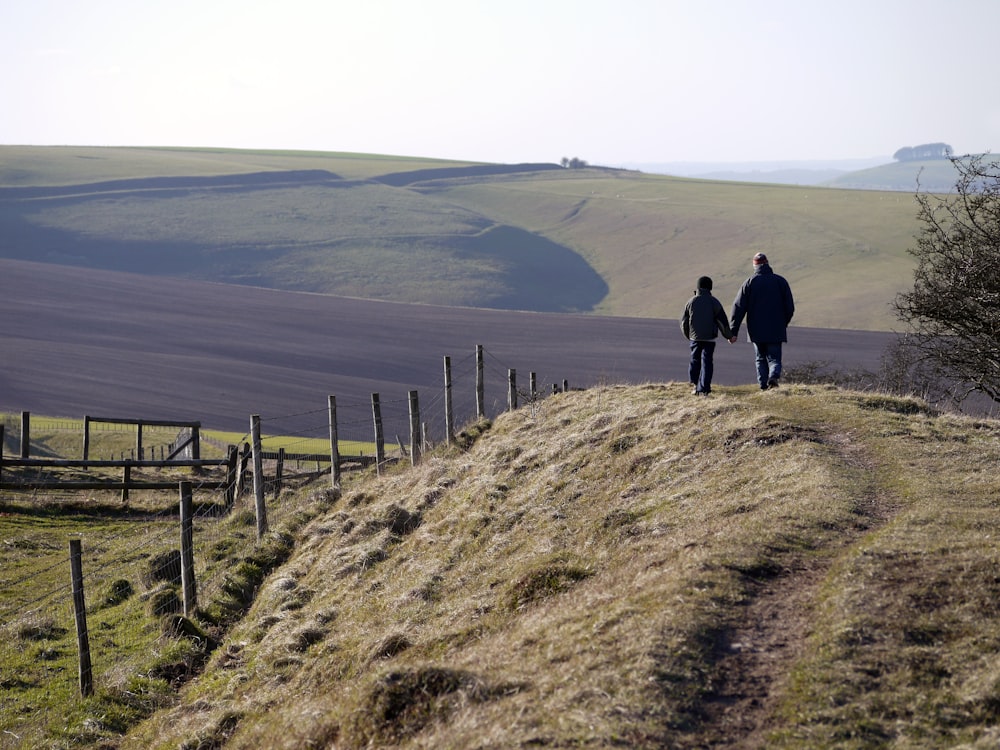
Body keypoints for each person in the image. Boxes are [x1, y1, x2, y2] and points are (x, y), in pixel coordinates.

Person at [729, 252, 795, 390]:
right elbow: (789, 307)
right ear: (767, 263)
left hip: (756, 329)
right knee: (774, 358)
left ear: (755, 265)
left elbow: (738, 308)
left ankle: (763, 385)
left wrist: (733, 331)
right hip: (776, 328)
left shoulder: (749, 283)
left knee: (760, 358)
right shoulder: (780, 281)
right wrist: (783, 323)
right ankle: (774, 377)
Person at [680, 276, 735, 395]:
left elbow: (684, 322)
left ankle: (694, 384)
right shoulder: (714, 301)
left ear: (698, 287)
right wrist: (729, 336)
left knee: (695, 360)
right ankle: (704, 389)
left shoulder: (691, 302)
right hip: (709, 338)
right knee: (707, 361)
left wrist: (688, 335)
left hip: (695, 338)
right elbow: (722, 322)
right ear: (710, 287)